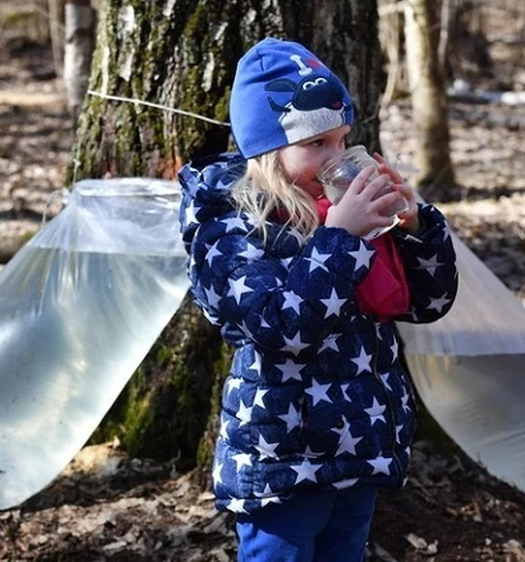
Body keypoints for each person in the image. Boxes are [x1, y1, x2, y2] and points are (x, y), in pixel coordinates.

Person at [178, 37, 458, 562]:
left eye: (343, 139)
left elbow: (427, 303)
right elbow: (275, 325)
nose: (337, 157)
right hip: (283, 458)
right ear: (267, 148)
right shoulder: (231, 220)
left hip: (361, 443)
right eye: (318, 144)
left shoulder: (344, 210)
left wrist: (416, 226)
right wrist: (342, 239)